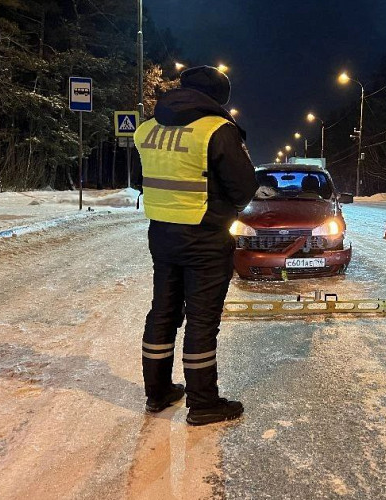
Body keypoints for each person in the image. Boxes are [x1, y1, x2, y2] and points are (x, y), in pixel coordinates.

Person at [134, 66, 258, 425]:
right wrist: (223, 208)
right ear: (217, 98)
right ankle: (203, 403)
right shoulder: (216, 130)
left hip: (162, 235)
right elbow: (244, 187)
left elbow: (137, 178)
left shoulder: (147, 129)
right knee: (202, 321)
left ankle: (157, 394)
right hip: (205, 237)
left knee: (163, 312)